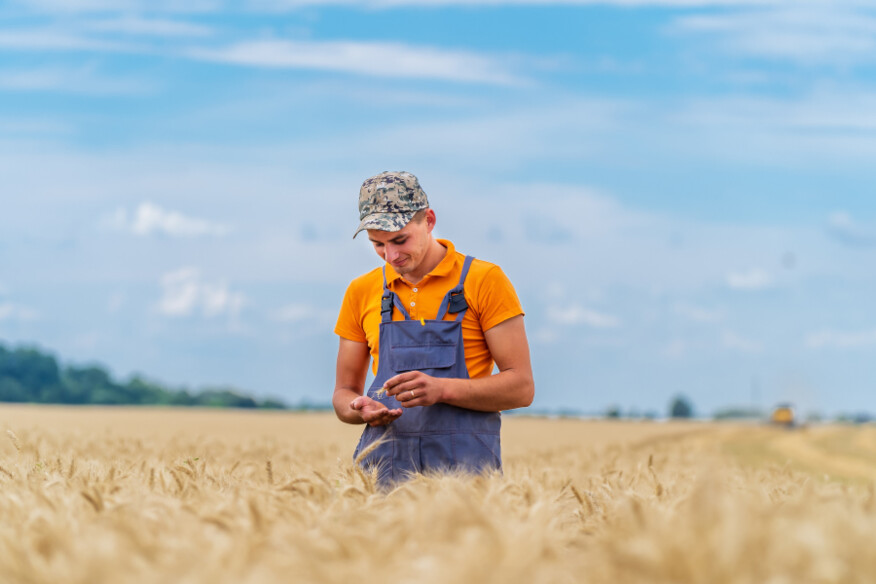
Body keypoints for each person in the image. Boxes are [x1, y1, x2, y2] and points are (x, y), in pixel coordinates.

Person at [332, 171, 534, 485]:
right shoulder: (361, 291)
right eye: (378, 245)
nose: (391, 255)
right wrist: (360, 409)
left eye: (400, 240)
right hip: (382, 478)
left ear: (429, 220)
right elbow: (343, 394)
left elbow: (522, 388)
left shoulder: (484, 280)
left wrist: (441, 390)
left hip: (466, 480)